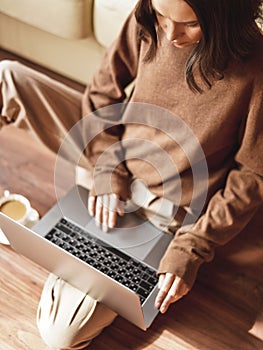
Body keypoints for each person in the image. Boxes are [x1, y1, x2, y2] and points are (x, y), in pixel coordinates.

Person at [1, 0, 263, 348]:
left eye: (190, 25)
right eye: (163, 16)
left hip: (166, 207)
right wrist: (108, 169)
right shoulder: (149, 18)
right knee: (8, 79)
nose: (170, 33)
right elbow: (101, 93)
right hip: (111, 153)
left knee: (60, 334)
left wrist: (193, 247)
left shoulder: (256, 68)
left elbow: (251, 177)